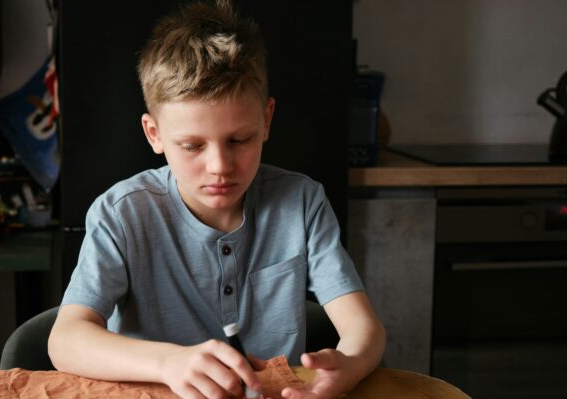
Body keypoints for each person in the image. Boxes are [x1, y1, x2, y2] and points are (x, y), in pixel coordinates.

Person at [48, 1, 386, 398]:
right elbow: (66, 339)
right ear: (154, 134)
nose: (220, 166)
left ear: (267, 120)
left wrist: (350, 364)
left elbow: (365, 329)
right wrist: (168, 362)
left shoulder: (303, 202)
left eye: (238, 140)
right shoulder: (121, 213)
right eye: (191, 145)